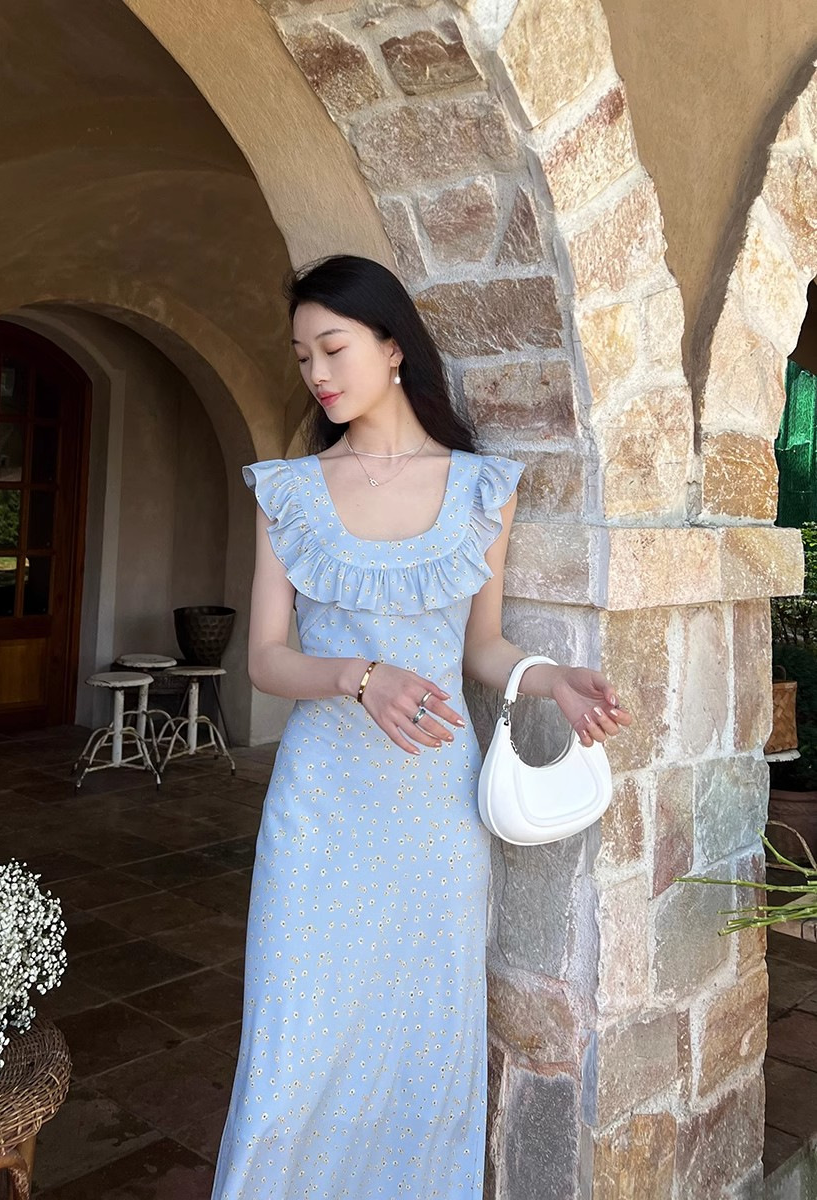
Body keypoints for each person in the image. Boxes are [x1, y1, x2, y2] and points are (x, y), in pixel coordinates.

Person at [211, 255, 632, 1199]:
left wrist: (551, 680)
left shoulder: (484, 488)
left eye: (333, 348)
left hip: (435, 814)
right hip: (320, 810)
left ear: (393, 346)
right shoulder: (289, 491)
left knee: (424, 1050)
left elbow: (480, 646)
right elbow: (266, 659)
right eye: (303, 356)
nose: (317, 373)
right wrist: (357, 676)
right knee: (292, 1052)